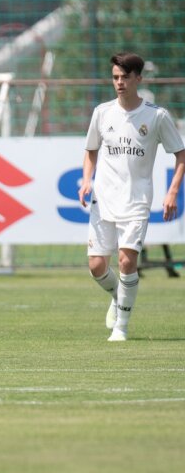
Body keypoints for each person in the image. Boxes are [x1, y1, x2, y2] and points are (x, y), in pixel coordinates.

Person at [78, 52, 185, 342]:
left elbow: (181, 154)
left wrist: (172, 191)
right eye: (115, 77)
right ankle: (119, 297)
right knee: (97, 266)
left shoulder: (156, 115)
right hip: (103, 199)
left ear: (138, 78)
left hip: (136, 201)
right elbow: (91, 151)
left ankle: (121, 327)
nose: (120, 82)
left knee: (126, 262)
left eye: (125, 77)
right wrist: (87, 180)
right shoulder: (102, 112)